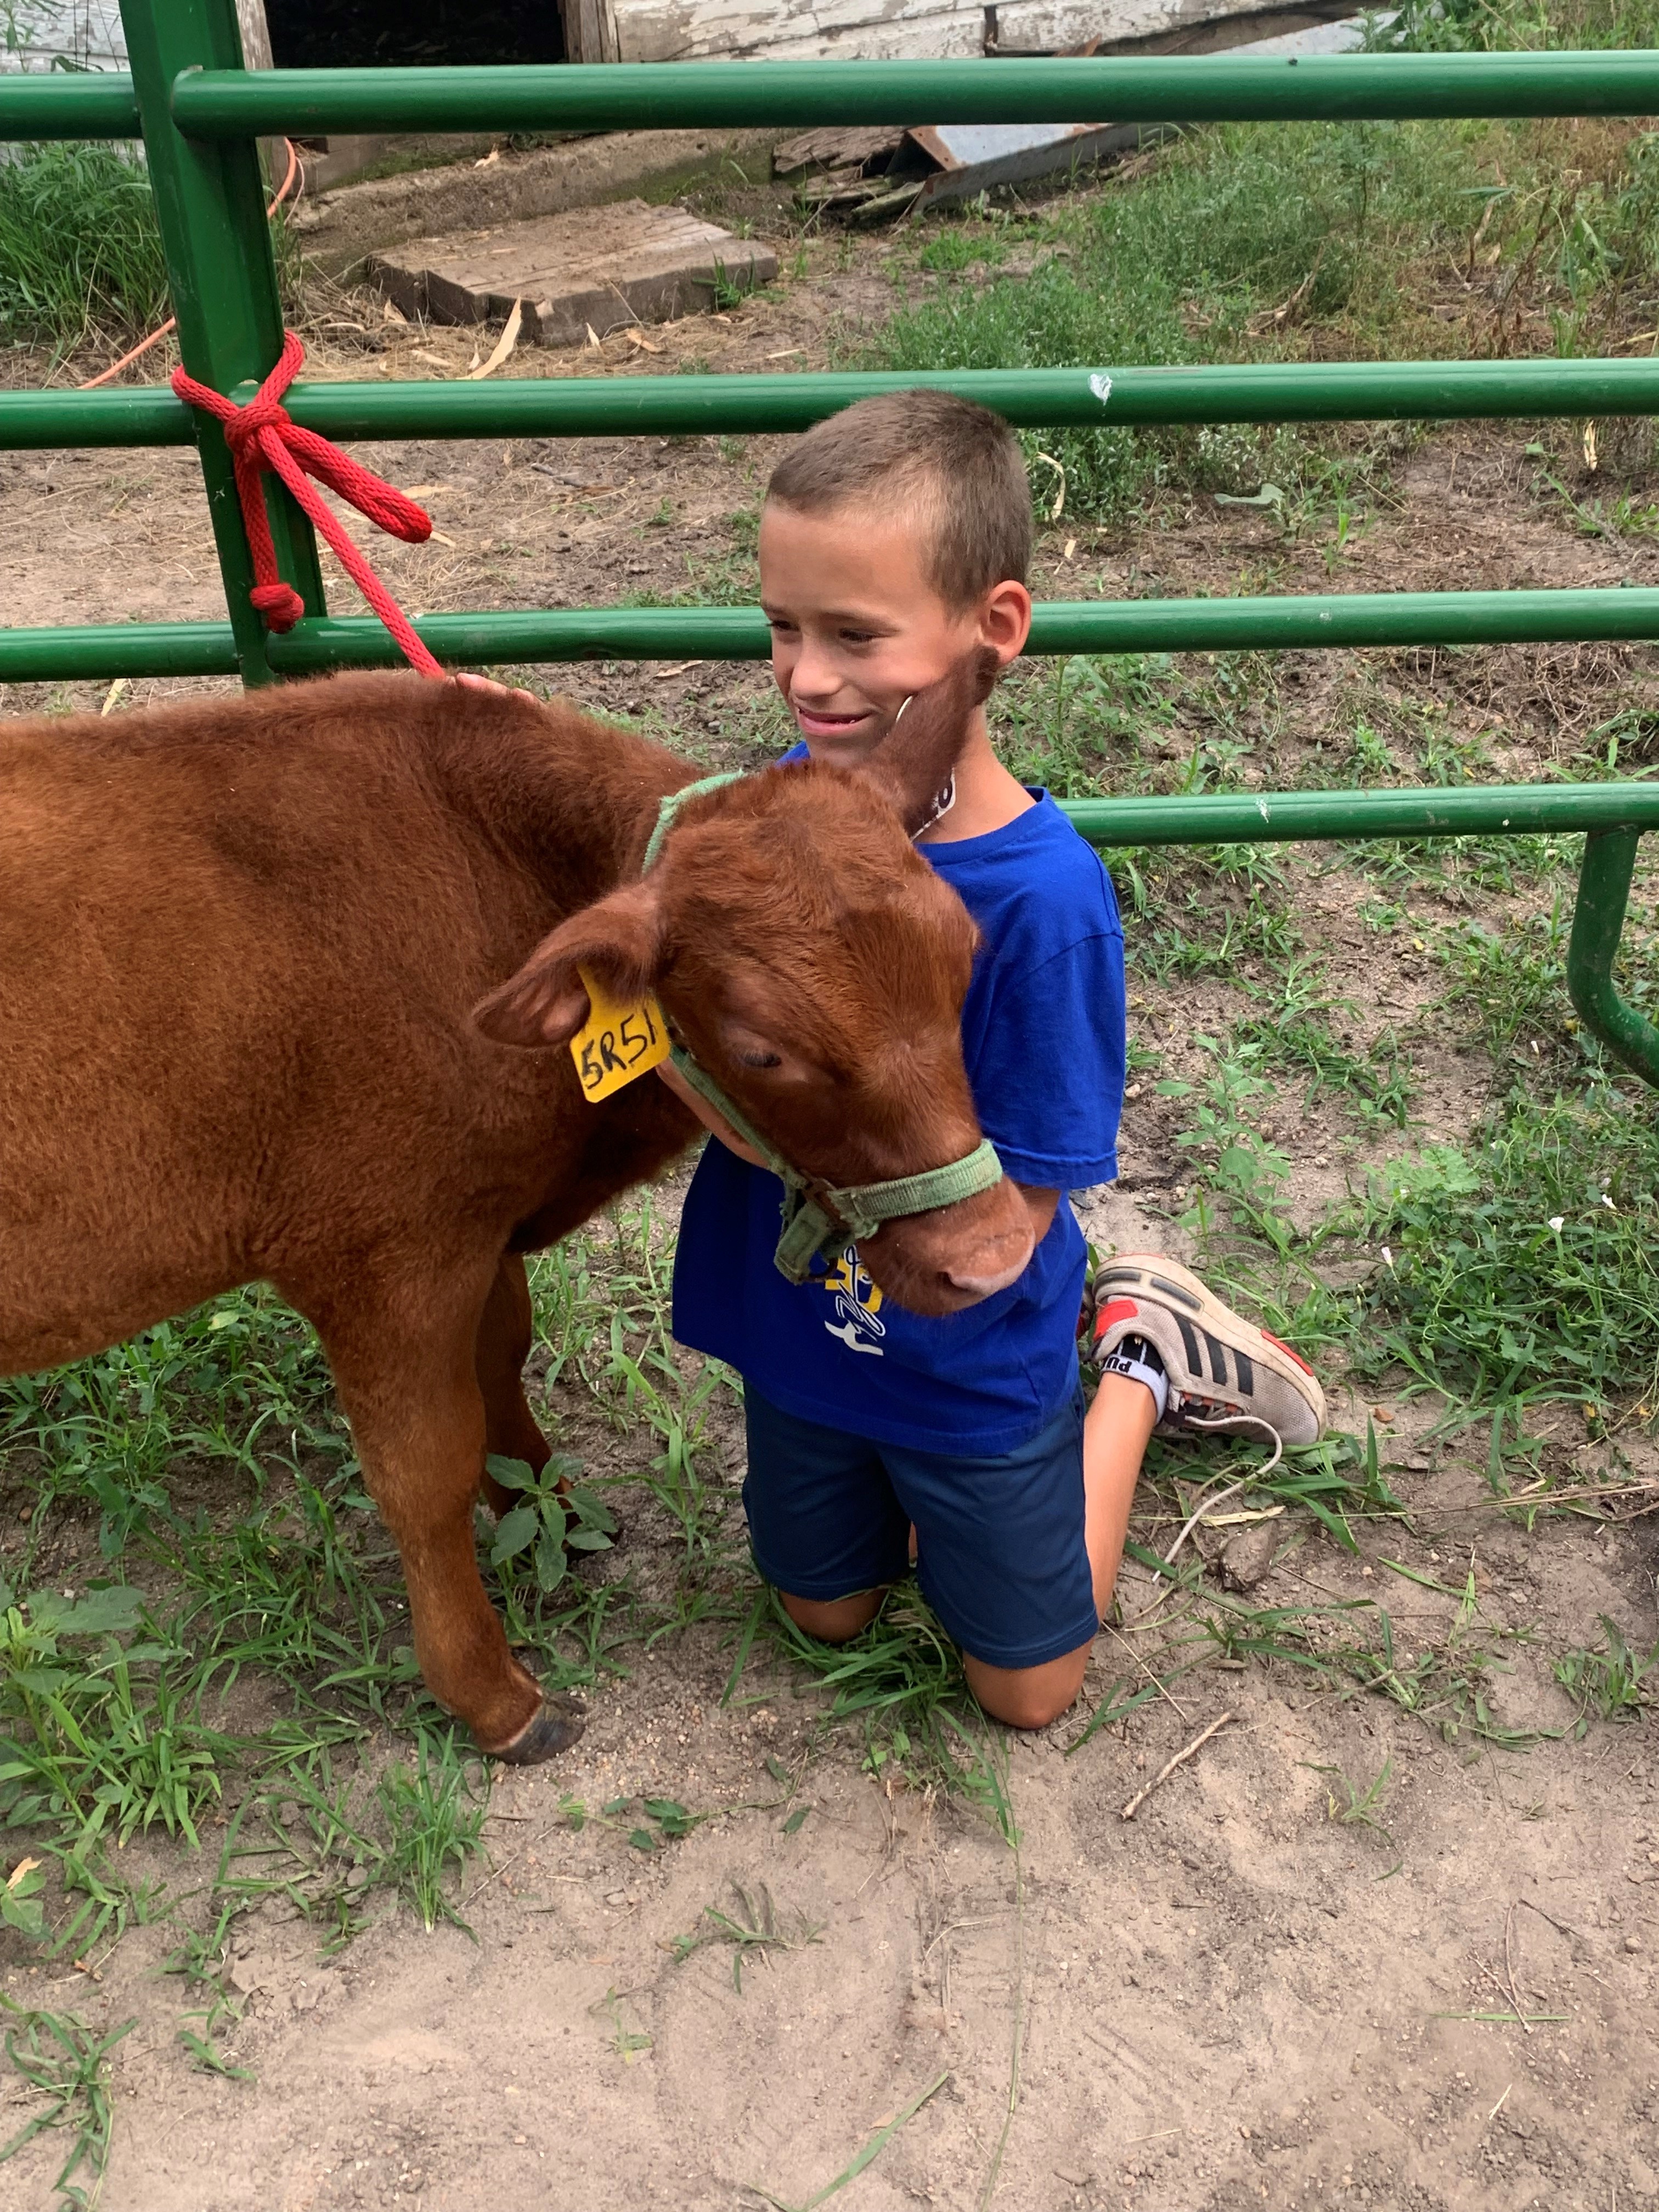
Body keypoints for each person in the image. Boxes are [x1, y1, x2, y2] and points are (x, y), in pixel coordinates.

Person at [663, 392, 1325, 1729]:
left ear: (993, 629)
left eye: (855, 635)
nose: (805, 678)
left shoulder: (1043, 901)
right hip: (800, 1323)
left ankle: (1136, 1363)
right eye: (783, 629)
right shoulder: (771, 819)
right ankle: (898, 1498)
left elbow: (1014, 1210)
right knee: (820, 1614)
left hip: (961, 1345)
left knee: (1028, 1694)